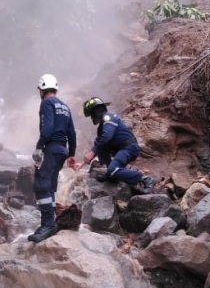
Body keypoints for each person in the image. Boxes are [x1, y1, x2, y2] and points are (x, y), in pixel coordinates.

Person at [29, 74, 77, 243]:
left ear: (42, 89)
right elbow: (72, 132)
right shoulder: (65, 106)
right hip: (62, 149)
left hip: (51, 147)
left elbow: (47, 128)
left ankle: (48, 224)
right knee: (50, 185)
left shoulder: (46, 103)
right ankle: (52, 222)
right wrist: (71, 154)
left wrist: (39, 147)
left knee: (41, 184)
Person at [79, 96, 156, 192]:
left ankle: (146, 179)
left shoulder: (109, 117)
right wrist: (81, 163)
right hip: (121, 150)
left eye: (91, 115)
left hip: (128, 148)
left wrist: (92, 152)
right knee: (100, 145)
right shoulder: (102, 126)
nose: (91, 118)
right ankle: (112, 173)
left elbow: (107, 136)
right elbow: (99, 144)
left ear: (96, 112)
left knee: (112, 169)